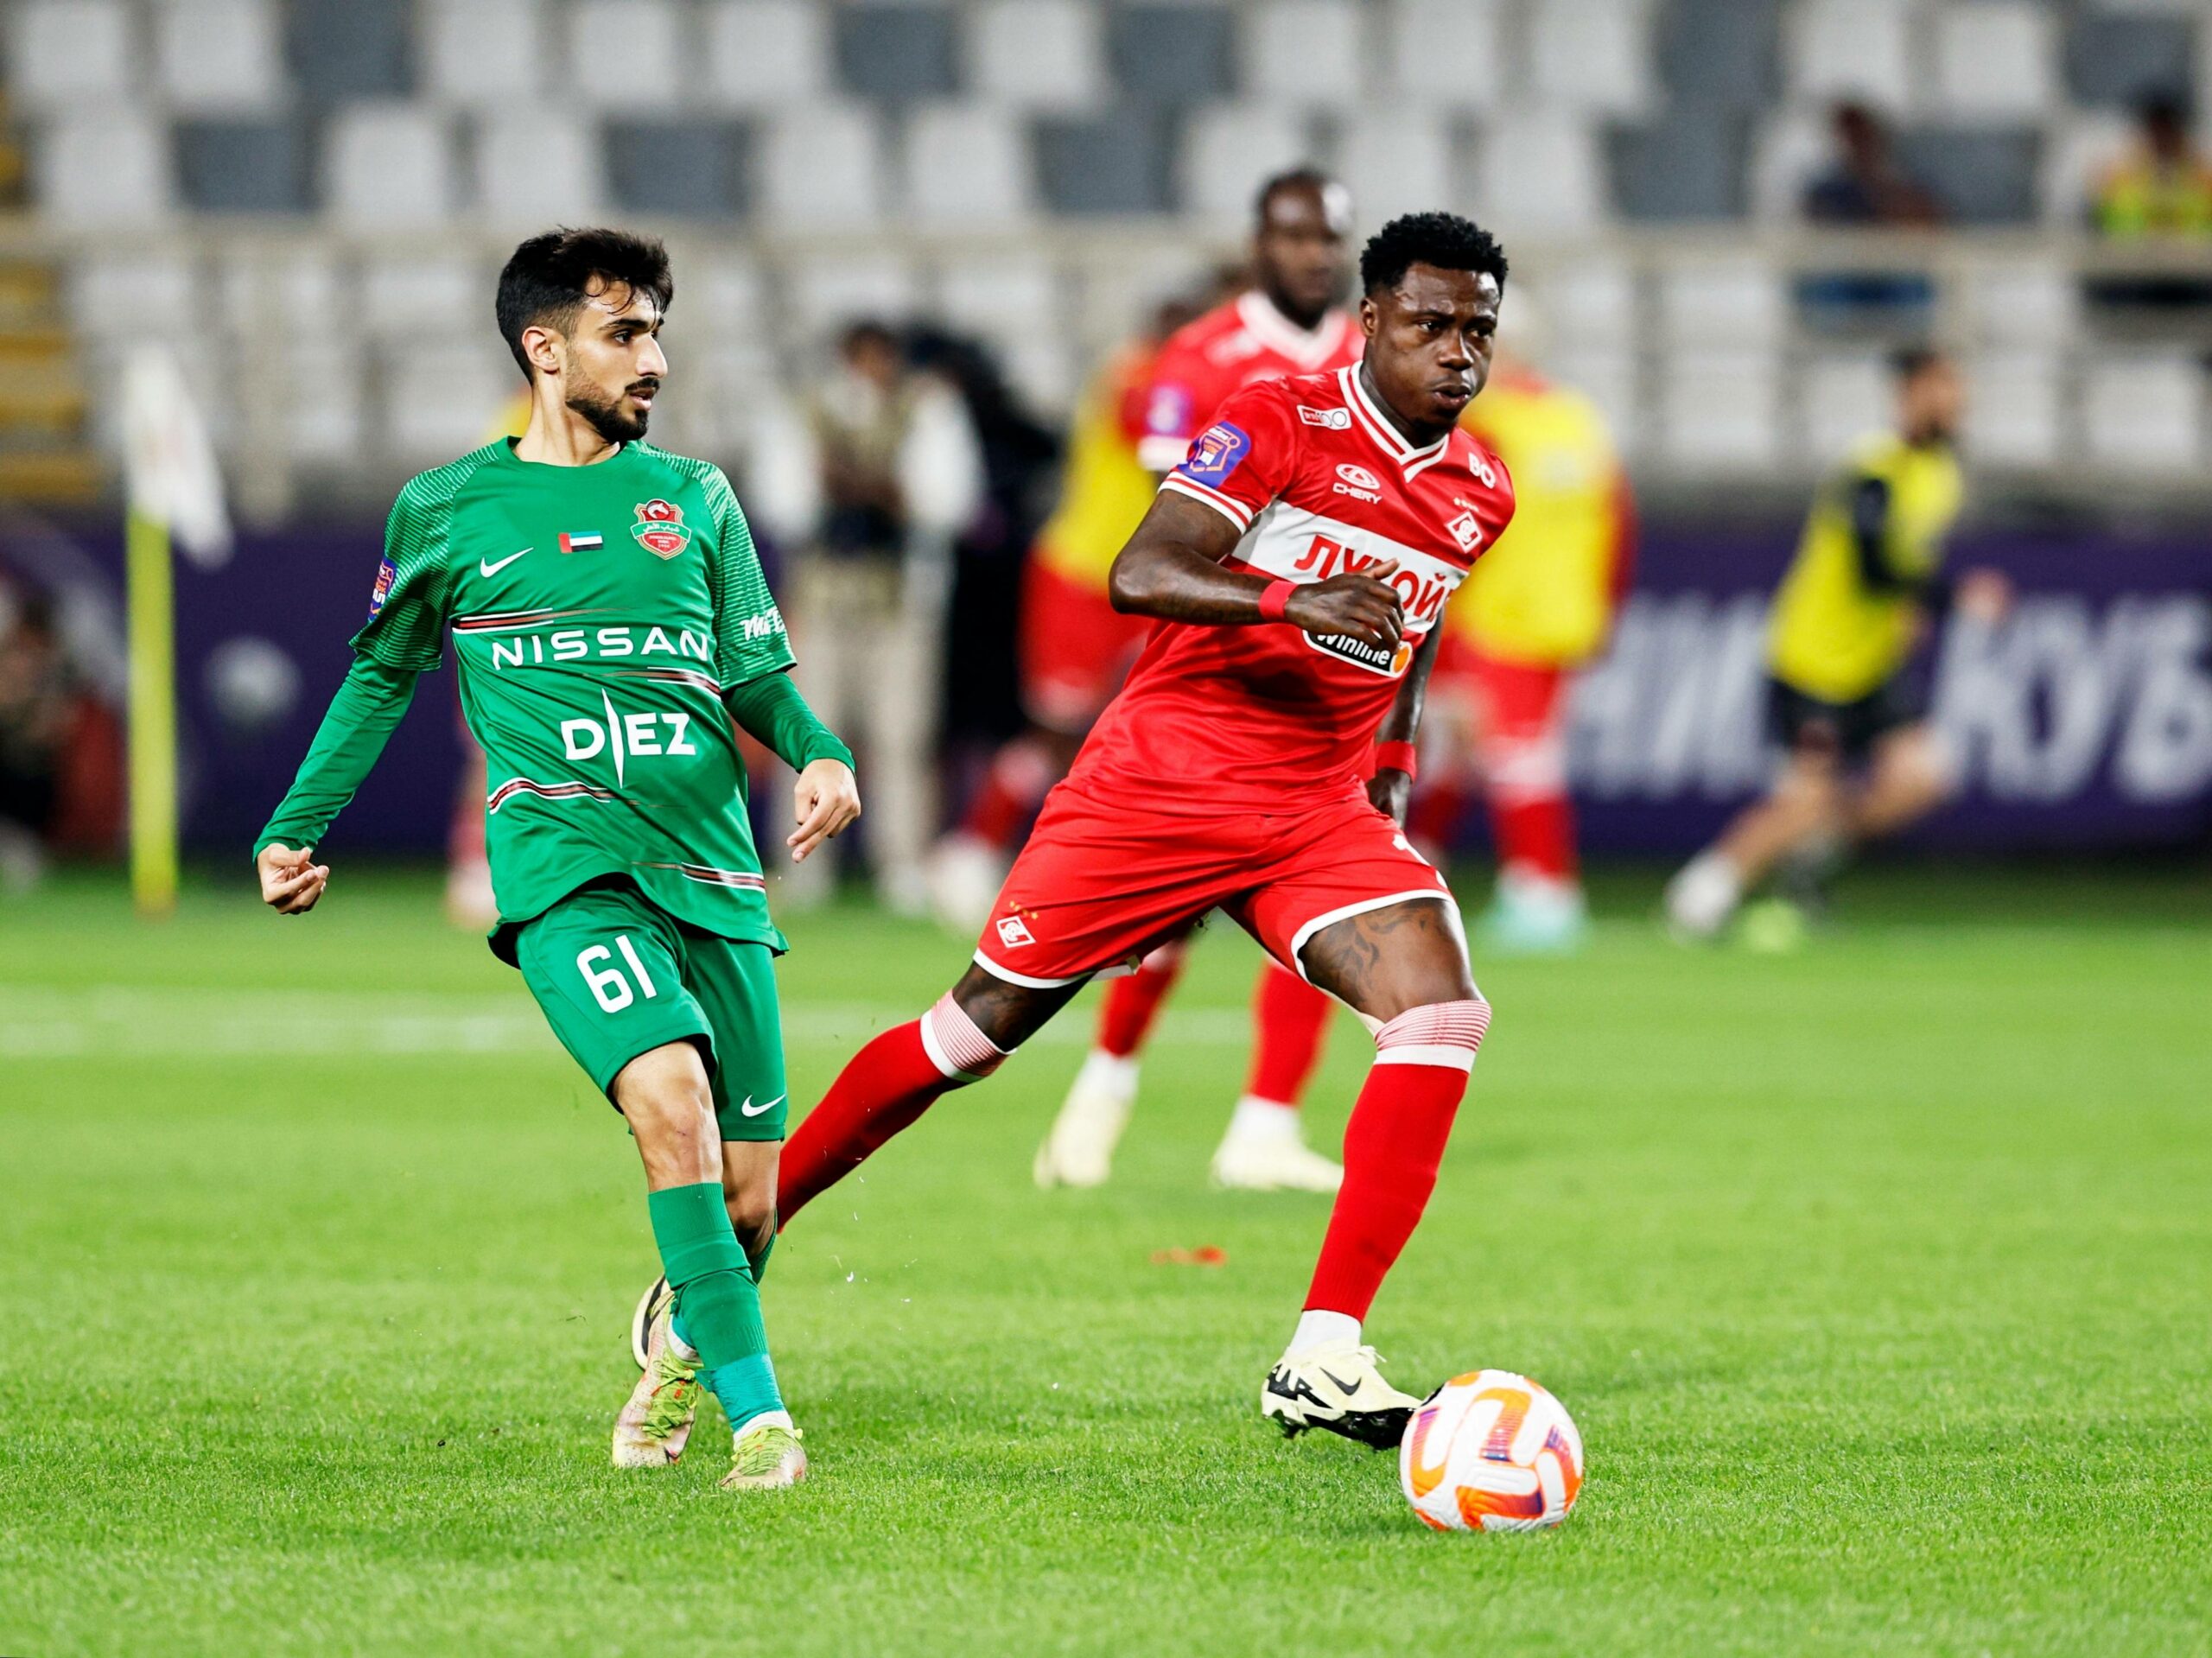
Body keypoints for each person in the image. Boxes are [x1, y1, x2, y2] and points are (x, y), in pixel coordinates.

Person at [766, 213, 1517, 1450]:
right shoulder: (1279, 417)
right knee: (966, 1038)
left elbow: (1414, 635)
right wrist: (1291, 593)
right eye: (1431, 324)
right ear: (1373, 321)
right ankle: (745, 1231)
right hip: (1156, 789)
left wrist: (1388, 774)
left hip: (1310, 808)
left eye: (1477, 328)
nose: (1457, 352)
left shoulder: (1481, 488)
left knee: (1441, 1006)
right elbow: (1143, 567)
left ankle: (1325, 1349)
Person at [253, 229, 860, 1494]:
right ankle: (762, 1422)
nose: (655, 358)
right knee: (669, 1101)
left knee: (750, 1201)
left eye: (656, 332)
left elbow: (756, 672)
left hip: (712, 869)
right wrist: (297, 824)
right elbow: (384, 670)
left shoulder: (694, 497)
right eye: (626, 332)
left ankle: (682, 1340)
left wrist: (818, 751)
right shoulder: (448, 506)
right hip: (565, 863)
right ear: (546, 347)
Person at [1031, 168, 1367, 1195]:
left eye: (1326, 238)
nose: (1310, 254)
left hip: (1333, 672)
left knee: (1324, 891)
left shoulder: (1371, 356)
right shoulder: (1199, 357)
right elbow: (1170, 519)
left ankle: (1265, 1121)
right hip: (1218, 656)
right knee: (1170, 899)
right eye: (1291, 235)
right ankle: (1103, 1084)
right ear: (1259, 242)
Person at [1665, 349, 2009, 940]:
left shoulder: (1943, 475)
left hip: (1871, 665)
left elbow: (1904, 565)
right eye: (1941, 387)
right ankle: (1704, 892)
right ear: (1908, 392)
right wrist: (1952, 598)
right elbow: (1872, 566)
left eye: (1957, 388)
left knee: (1921, 779)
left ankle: (1809, 860)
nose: (1954, 401)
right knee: (1802, 801)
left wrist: (1909, 612)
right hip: (1813, 661)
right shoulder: (1872, 468)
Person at [747, 321, 982, 914]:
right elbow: (786, 507)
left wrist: (872, 488)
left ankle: (900, 862)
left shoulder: (926, 410)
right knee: (808, 735)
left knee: (902, 735)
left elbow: (947, 503)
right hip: (824, 595)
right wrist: (851, 490)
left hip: (902, 596)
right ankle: (808, 861)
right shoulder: (806, 411)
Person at [1411, 335, 1635, 953]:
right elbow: (1619, 519)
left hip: (1499, 614)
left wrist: (1437, 613)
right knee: (1463, 745)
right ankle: (1417, 866)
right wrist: (1605, 606)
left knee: (1515, 755)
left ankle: (1545, 892)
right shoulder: (1577, 419)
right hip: (1564, 616)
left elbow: (1456, 526)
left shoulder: (1484, 423)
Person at [2092, 95, 2212, 240]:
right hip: (2133, 260)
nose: (2162, 140)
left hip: (2195, 261)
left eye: (2168, 132)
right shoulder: (2120, 180)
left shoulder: (2202, 180)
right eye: (2157, 133)